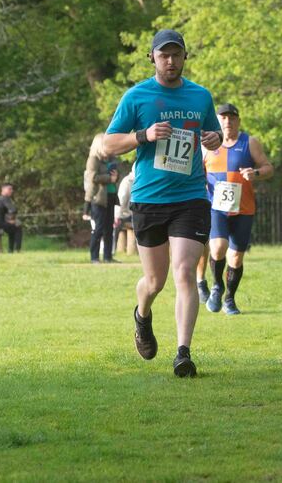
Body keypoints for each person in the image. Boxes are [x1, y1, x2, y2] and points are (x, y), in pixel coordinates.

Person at [103, 29, 221, 378]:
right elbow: (108, 145)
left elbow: (213, 135)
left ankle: (183, 353)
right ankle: (142, 315)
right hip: (149, 199)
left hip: (190, 198)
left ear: (185, 57)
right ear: (152, 58)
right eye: (164, 55)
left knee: (184, 271)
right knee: (155, 281)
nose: (170, 61)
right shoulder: (136, 96)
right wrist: (144, 135)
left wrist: (213, 139)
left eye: (176, 54)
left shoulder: (200, 96)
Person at [200, 103, 274, 315]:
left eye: (231, 118)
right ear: (217, 121)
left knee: (236, 258)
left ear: (238, 121)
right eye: (223, 118)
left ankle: (230, 299)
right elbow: (198, 173)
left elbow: (268, 168)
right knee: (217, 247)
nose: (227, 122)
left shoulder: (249, 142)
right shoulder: (206, 146)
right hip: (216, 208)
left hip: (244, 208)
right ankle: (217, 286)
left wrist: (255, 173)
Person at [84, 134, 121, 264]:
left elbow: (114, 177)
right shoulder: (93, 159)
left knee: (109, 228)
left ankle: (108, 257)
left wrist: (116, 176)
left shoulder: (111, 159)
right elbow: (93, 178)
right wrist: (109, 178)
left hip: (111, 196)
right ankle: (94, 257)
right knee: (99, 228)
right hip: (99, 198)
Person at [0, 183, 22, 252]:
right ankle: (17, 250)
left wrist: (9, 220)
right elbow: (13, 210)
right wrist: (12, 220)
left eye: (12, 189)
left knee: (12, 228)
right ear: (3, 190)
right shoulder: (5, 198)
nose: (11, 191)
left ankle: (11, 250)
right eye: (9, 189)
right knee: (18, 226)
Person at [114, 169, 135, 253]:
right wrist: (117, 215)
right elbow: (122, 199)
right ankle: (111, 250)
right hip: (125, 214)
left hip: (131, 213)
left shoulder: (136, 181)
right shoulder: (128, 182)